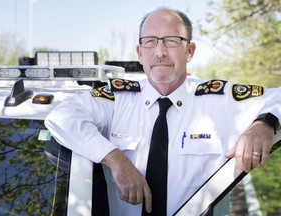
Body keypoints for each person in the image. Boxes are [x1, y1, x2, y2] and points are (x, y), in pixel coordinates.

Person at [45, 7, 281, 216]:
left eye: (171, 41)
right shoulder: (117, 100)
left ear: (190, 51)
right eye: (150, 41)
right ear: (140, 53)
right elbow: (60, 117)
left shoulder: (217, 102)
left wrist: (264, 124)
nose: (160, 52)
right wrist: (117, 160)